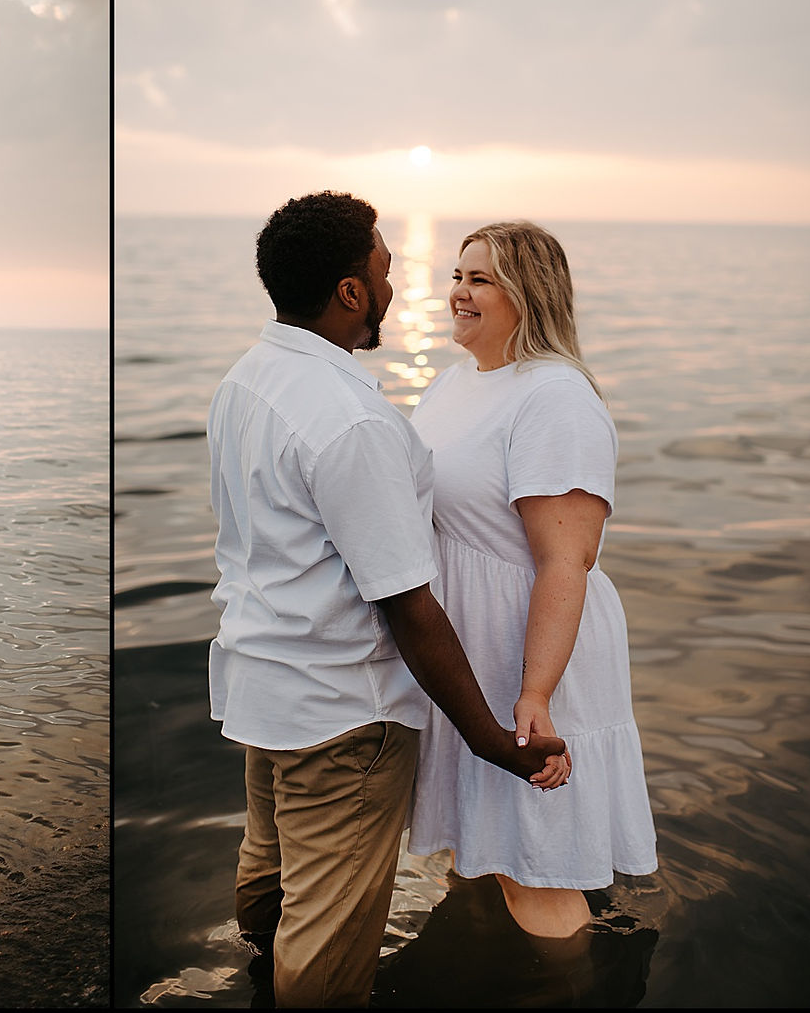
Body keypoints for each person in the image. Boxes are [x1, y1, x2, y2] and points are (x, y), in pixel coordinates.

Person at [207, 191, 570, 1009]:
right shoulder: (350, 420)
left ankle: (257, 984)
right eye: (384, 267)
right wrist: (490, 741)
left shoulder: (246, 379)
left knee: (270, 879)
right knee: (329, 946)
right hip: (343, 710)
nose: (396, 284)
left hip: (260, 685)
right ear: (350, 292)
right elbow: (407, 603)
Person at [406, 221, 657, 938]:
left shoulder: (554, 397)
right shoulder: (455, 383)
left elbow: (564, 560)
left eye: (479, 279)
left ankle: (570, 985)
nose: (458, 292)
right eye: (457, 275)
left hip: (533, 650)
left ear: (529, 293)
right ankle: (486, 962)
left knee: (537, 866)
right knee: (489, 849)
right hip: (470, 646)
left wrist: (536, 690)